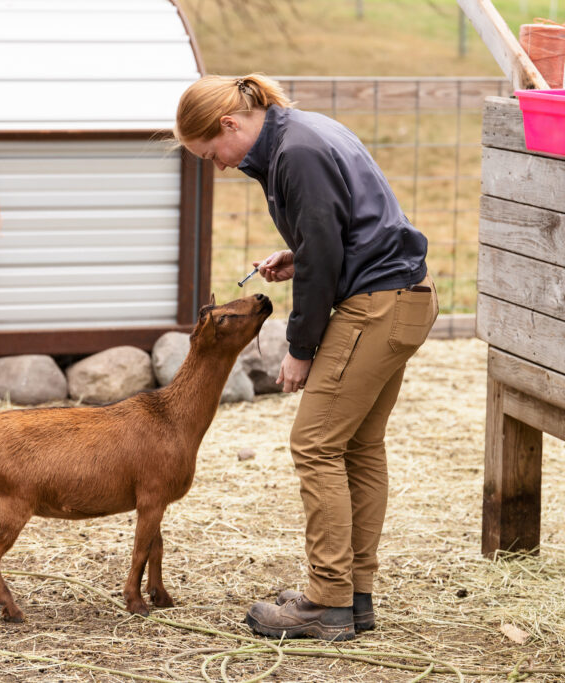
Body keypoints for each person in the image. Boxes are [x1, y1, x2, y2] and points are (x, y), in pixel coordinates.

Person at [174, 73, 438, 642]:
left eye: (210, 152)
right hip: (404, 296)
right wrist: (299, 254)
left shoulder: (296, 153)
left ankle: (327, 601)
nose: (217, 165)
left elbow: (325, 258)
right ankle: (353, 596)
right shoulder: (302, 133)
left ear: (228, 125)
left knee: (315, 443)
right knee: (358, 446)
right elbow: (334, 235)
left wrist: (300, 349)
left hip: (378, 303)